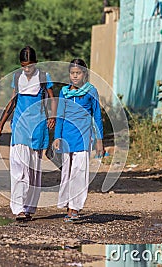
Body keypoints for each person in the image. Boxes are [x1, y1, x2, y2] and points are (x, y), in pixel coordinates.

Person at [0, 46, 56, 221]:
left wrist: (52, 116)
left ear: (35, 63)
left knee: (34, 171)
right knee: (18, 169)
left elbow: (52, 98)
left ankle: (29, 207)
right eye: (23, 66)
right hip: (20, 127)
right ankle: (18, 208)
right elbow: (13, 100)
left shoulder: (44, 77)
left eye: (29, 66)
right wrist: (1, 124)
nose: (27, 69)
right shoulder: (17, 77)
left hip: (37, 128)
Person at [52, 58, 104, 222]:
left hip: (83, 137)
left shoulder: (91, 91)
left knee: (79, 173)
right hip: (66, 137)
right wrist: (57, 136)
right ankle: (68, 205)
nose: (75, 76)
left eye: (78, 73)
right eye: (72, 73)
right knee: (67, 172)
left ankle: (74, 208)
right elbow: (60, 115)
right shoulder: (64, 92)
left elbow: (96, 116)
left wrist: (99, 140)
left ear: (84, 74)